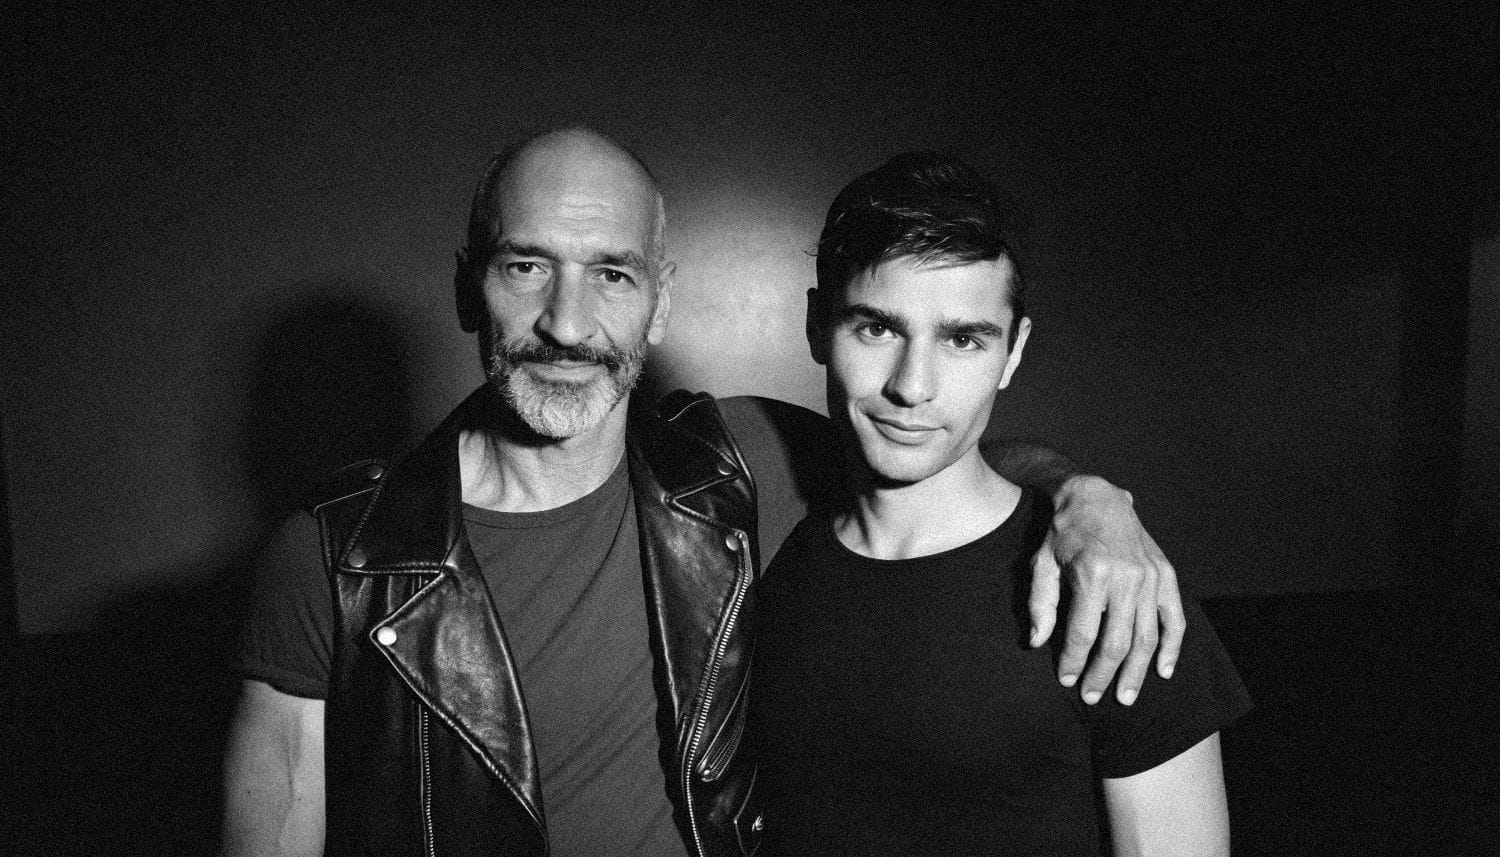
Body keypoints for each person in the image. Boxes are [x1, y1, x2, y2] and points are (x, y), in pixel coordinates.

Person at [219, 127, 1187, 857]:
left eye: (613, 274)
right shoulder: (334, 556)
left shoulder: (738, 461)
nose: (568, 323)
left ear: (661, 300)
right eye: (527, 266)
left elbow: (934, 447)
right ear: (471, 285)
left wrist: (1089, 500)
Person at [749, 151, 1251, 856]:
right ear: (816, 327)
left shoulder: (1110, 584)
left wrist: (1084, 493)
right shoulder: (758, 548)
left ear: (1013, 353)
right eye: (877, 328)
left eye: (962, 339)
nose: (912, 386)